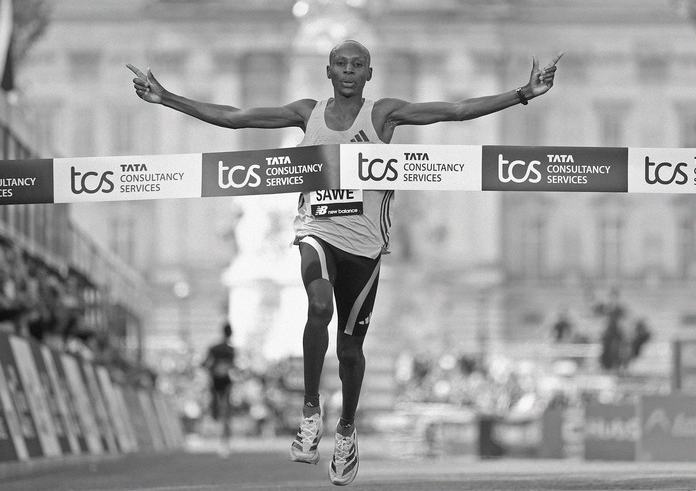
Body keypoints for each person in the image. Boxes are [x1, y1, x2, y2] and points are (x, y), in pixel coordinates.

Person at [128, 40, 561, 485]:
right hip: (316, 232)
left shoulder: (383, 115)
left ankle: (347, 430)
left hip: (366, 248)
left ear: (369, 75)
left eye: (358, 65)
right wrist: (167, 98)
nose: (349, 71)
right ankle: (310, 411)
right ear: (328, 71)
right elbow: (236, 119)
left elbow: (454, 110)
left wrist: (522, 93)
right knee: (318, 305)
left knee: (351, 350)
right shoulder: (306, 113)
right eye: (341, 64)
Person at [203, 322, 238, 458]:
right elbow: (233, 367)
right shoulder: (230, 350)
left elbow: (205, 363)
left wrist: (213, 369)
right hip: (226, 382)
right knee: (225, 411)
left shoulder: (214, 348)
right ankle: (224, 440)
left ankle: (221, 438)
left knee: (217, 410)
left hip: (216, 381)